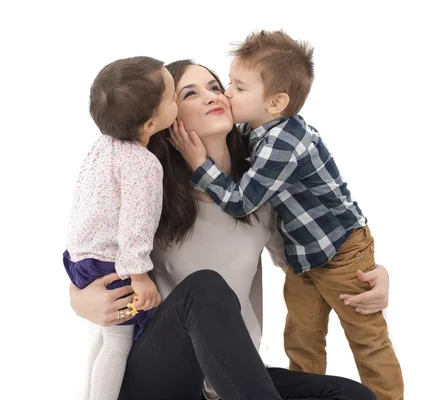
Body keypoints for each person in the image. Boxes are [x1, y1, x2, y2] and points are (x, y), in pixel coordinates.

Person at [70, 59, 387, 399]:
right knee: (206, 288)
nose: (211, 96)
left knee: (352, 395)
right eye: (190, 93)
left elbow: (314, 262)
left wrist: (370, 273)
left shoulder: (259, 197)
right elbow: (91, 248)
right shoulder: (149, 187)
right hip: (158, 377)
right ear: (165, 116)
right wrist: (78, 300)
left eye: (216, 87)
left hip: (228, 382)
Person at [169, 30, 403, 400]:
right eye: (195, 91)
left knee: (365, 341)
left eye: (232, 87)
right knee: (301, 336)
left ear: (276, 102)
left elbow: (243, 202)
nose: (224, 94)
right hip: (301, 257)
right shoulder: (250, 137)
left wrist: (377, 272)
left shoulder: (279, 148)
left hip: (340, 253)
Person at [63, 56, 177, 400]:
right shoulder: (142, 164)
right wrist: (139, 276)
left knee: (103, 335)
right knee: (118, 343)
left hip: (81, 259)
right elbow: (135, 225)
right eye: (172, 99)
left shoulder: (103, 147)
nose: (175, 104)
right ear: (151, 123)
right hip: (113, 266)